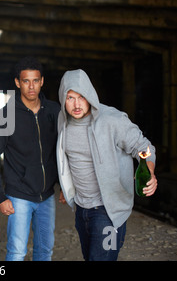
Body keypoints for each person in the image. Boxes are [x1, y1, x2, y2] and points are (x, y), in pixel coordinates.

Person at [57, 69, 158, 261]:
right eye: (70, 98)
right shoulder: (63, 122)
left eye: (81, 96)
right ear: (63, 98)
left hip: (108, 213)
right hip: (81, 210)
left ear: (90, 95)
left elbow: (144, 147)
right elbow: (68, 160)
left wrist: (150, 171)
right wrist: (66, 186)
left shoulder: (113, 119)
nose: (77, 104)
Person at [0, 56, 60, 261]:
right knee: (17, 251)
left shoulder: (55, 111)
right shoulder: (4, 116)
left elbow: (64, 150)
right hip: (19, 195)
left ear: (42, 81)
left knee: (45, 250)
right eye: (26, 81)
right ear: (18, 83)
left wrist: (65, 185)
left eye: (35, 80)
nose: (31, 86)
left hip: (47, 196)